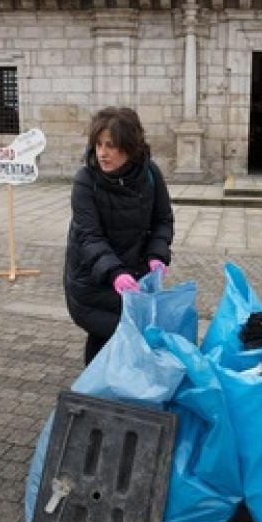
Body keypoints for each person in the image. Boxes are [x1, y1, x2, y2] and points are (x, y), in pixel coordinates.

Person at [64, 107, 174, 364]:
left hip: (134, 275)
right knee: (104, 332)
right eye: (99, 144)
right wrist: (114, 272)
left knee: (132, 335)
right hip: (93, 278)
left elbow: (163, 219)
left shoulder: (150, 174)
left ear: (130, 146)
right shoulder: (85, 180)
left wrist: (157, 254)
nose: (102, 153)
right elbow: (89, 236)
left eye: (111, 146)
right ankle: (95, 393)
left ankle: (121, 391)